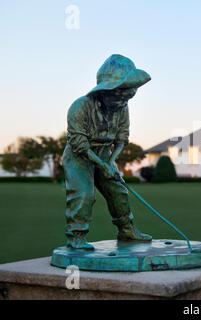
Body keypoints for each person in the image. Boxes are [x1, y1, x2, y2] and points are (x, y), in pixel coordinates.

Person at [63, 54, 152, 250]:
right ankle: (76, 236)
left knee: (118, 190)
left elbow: (121, 138)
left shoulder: (122, 108)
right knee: (84, 193)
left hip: (104, 155)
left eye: (128, 95)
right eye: (119, 94)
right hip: (80, 156)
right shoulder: (80, 106)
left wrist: (111, 162)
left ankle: (126, 230)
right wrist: (102, 165)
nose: (123, 100)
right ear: (104, 91)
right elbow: (80, 144)